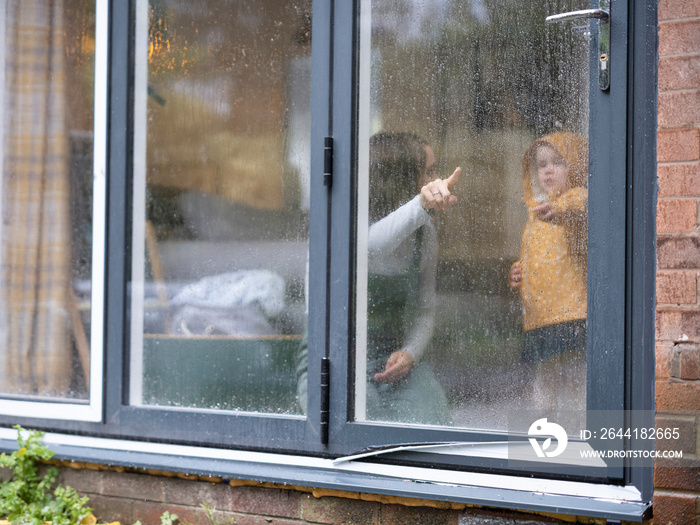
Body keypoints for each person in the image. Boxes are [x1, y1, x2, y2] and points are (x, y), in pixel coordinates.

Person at [296, 132, 460, 425]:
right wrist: (420, 206)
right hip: (334, 359)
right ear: (401, 177)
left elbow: (425, 310)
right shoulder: (340, 219)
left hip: (392, 362)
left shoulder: (424, 236)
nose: (437, 179)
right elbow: (367, 249)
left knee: (430, 425)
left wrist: (409, 353)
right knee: (358, 428)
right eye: (430, 171)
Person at [508, 131, 588, 425]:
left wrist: (559, 208)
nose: (549, 170)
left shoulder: (573, 200)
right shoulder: (535, 212)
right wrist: (517, 271)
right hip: (542, 316)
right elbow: (533, 253)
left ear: (576, 166)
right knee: (545, 380)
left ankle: (577, 428)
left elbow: (582, 204)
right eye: (542, 165)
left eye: (558, 163)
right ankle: (540, 429)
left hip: (570, 313)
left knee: (575, 378)